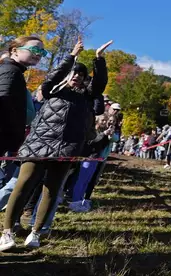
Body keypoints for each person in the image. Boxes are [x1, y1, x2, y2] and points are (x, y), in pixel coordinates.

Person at [0, 38, 111, 251]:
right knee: (22, 186)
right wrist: (71, 56)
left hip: (67, 149)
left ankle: (36, 232)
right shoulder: (53, 90)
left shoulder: (86, 98)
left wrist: (100, 60)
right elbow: (53, 77)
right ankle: (7, 232)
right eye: (74, 73)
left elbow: (98, 86)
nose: (77, 77)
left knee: (51, 191)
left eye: (81, 75)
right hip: (39, 145)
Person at [0, 36, 46, 157]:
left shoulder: (14, 71)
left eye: (42, 52)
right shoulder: (11, 71)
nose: (38, 54)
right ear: (14, 50)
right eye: (35, 49)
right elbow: (3, 103)